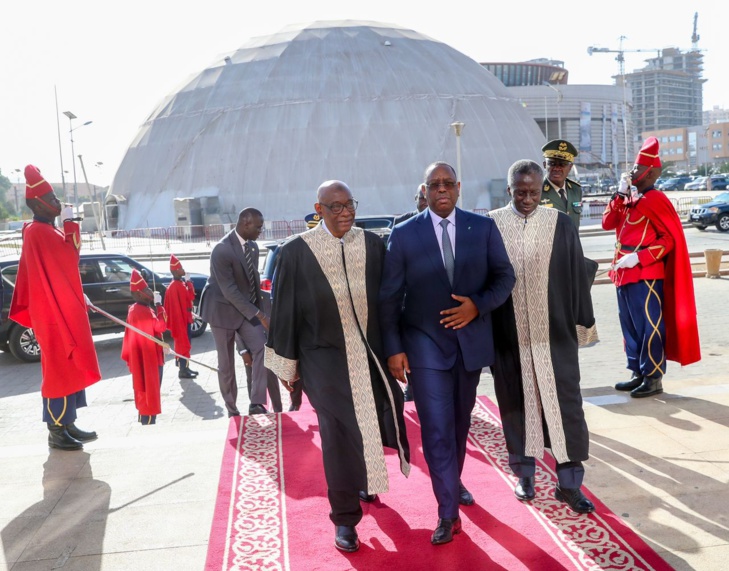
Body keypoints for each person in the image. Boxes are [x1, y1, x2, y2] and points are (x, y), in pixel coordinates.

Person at [265, 180, 410, 554]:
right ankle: (345, 519)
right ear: (319, 209)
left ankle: (365, 482)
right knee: (338, 434)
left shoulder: (373, 245)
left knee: (370, 421)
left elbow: (391, 303)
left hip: (370, 356)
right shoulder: (296, 252)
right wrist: (288, 369)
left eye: (349, 205)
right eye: (335, 207)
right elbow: (284, 313)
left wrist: (395, 350)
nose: (345, 213)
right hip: (323, 360)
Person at [379, 161, 515, 545]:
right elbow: (390, 296)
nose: (441, 189)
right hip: (424, 345)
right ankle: (447, 513)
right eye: (433, 184)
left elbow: (505, 277)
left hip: (470, 345)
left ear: (458, 188)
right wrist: (394, 349)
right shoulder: (405, 234)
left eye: (447, 183)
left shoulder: (483, 227)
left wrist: (477, 305)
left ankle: (452, 483)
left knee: (458, 424)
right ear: (424, 190)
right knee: (436, 428)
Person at [490, 159, 599, 514]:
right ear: (509, 190)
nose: (527, 199)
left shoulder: (561, 225)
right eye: (520, 192)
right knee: (516, 406)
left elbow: (577, 277)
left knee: (566, 408)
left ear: (542, 190)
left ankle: (569, 485)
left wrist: (583, 326)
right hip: (509, 339)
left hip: (556, 338)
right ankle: (525, 476)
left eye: (533, 192)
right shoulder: (491, 225)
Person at [9, 164, 101, 451]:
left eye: (55, 198)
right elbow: (69, 259)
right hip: (52, 315)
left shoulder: (45, 230)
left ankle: (68, 422)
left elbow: (63, 271)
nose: (58, 203)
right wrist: (72, 227)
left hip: (59, 309)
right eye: (51, 199)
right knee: (59, 371)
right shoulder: (39, 232)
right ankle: (56, 429)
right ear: (37, 203)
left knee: (69, 366)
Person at [602, 137, 700, 398]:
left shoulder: (654, 199)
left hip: (645, 274)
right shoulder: (630, 199)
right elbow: (607, 222)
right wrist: (619, 194)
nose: (632, 173)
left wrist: (640, 258)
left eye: (636, 170)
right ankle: (637, 372)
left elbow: (669, 240)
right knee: (630, 328)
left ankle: (653, 376)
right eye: (632, 169)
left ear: (652, 172)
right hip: (623, 273)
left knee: (650, 327)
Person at [199, 208, 270, 417]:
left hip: (243, 309)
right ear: (246, 223)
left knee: (261, 347)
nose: (261, 231)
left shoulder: (253, 247)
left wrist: (262, 310)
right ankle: (232, 409)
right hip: (220, 311)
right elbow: (229, 291)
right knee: (226, 364)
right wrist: (260, 315)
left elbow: (252, 283)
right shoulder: (222, 250)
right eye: (258, 227)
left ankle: (256, 403)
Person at [121, 269, 168, 425]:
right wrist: (160, 305)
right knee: (149, 391)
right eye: (147, 289)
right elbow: (161, 327)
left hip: (152, 355)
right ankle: (148, 422)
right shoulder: (141, 311)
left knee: (149, 391)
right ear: (140, 294)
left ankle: (147, 419)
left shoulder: (139, 308)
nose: (150, 291)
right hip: (149, 359)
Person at [163, 254, 198, 379]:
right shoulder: (176, 286)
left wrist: (188, 282)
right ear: (176, 271)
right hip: (181, 319)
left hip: (185, 318)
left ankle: (185, 368)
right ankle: (183, 370)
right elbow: (190, 297)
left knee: (184, 342)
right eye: (181, 268)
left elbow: (190, 297)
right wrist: (189, 282)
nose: (183, 270)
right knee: (183, 343)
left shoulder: (178, 283)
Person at [235, 333, 283, 413]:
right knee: (252, 378)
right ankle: (255, 407)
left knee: (271, 378)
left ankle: (278, 410)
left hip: (267, 344)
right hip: (249, 349)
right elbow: (236, 330)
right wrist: (243, 351)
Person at [540, 139, 582, 228]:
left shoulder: (576, 190)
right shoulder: (536, 191)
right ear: (544, 165)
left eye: (562, 164)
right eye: (552, 163)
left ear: (570, 167)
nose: (556, 168)